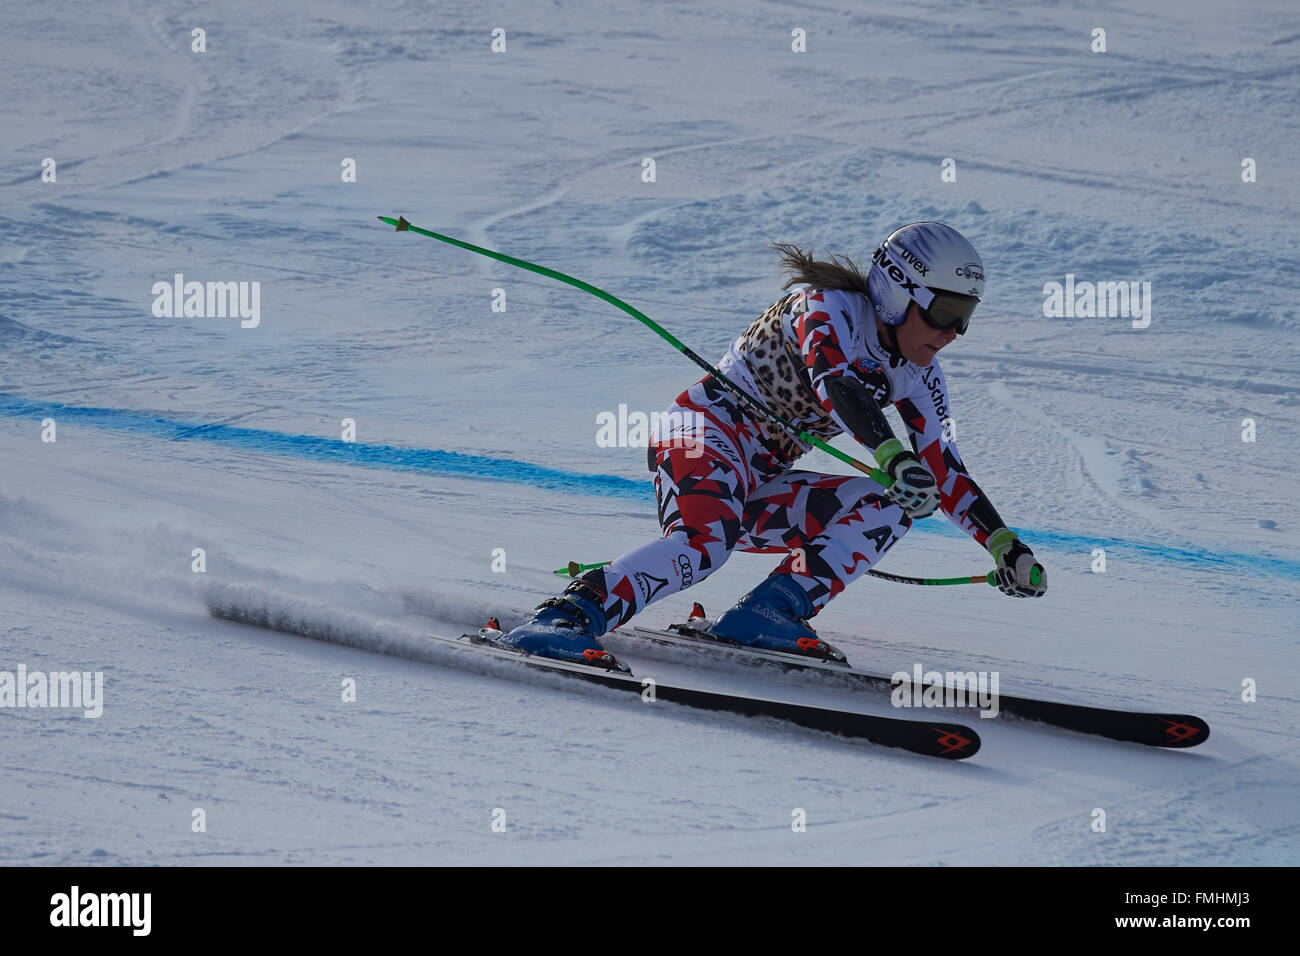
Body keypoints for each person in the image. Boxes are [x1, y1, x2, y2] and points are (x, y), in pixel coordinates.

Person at [499, 222, 1047, 668]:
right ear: (896, 292)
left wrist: (1004, 544)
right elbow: (835, 384)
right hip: (701, 435)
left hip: (760, 476)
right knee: (702, 545)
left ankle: (765, 614)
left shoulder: (921, 375)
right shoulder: (824, 307)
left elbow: (945, 470)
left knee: (889, 504)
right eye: (944, 312)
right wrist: (891, 455)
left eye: (965, 317)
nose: (953, 332)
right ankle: (563, 618)